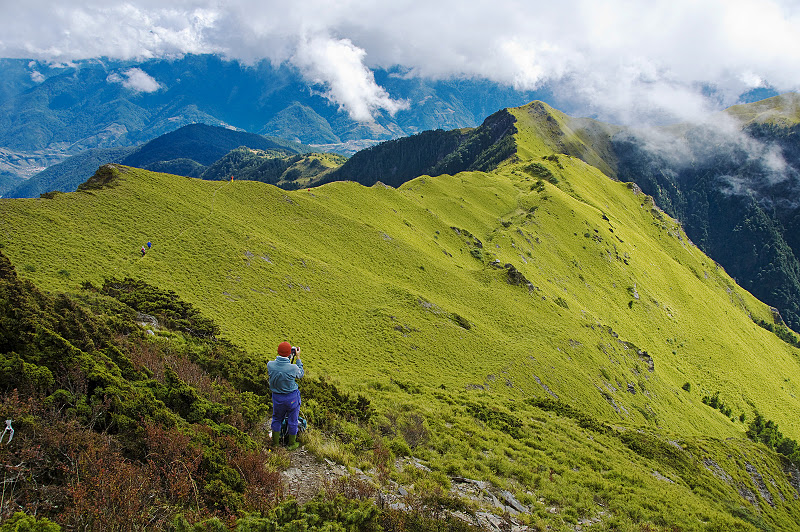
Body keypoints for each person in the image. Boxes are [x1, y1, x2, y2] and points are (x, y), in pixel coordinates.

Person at [267, 341, 304, 450]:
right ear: (289, 353)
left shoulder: (270, 365)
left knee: (277, 418)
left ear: (278, 351)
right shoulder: (293, 368)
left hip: (277, 397)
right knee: (293, 420)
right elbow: (300, 374)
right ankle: (291, 444)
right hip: (291, 398)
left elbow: (279, 367)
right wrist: (298, 358)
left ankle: (275, 444)